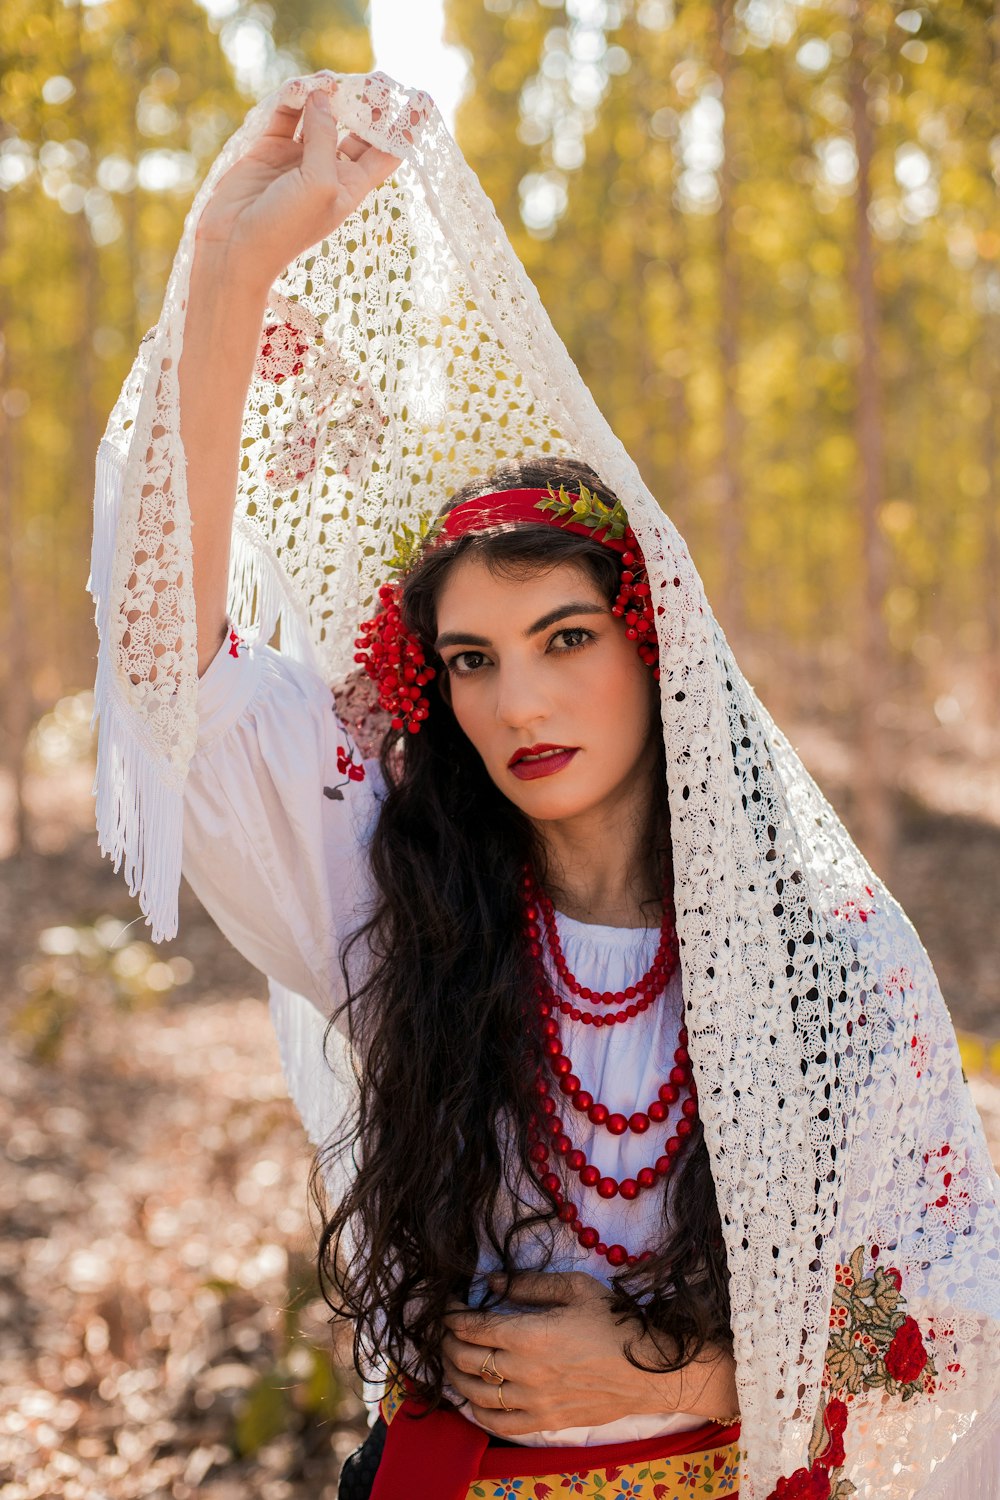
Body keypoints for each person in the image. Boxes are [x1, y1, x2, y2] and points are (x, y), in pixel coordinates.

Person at [90, 71, 1000, 1500]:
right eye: (473, 659)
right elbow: (169, 668)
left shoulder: (825, 955)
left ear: (657, 651)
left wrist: (686, 1365)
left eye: (565, 640)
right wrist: (229, 259)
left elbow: (952, 1317)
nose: (519, 701)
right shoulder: (395, 891)